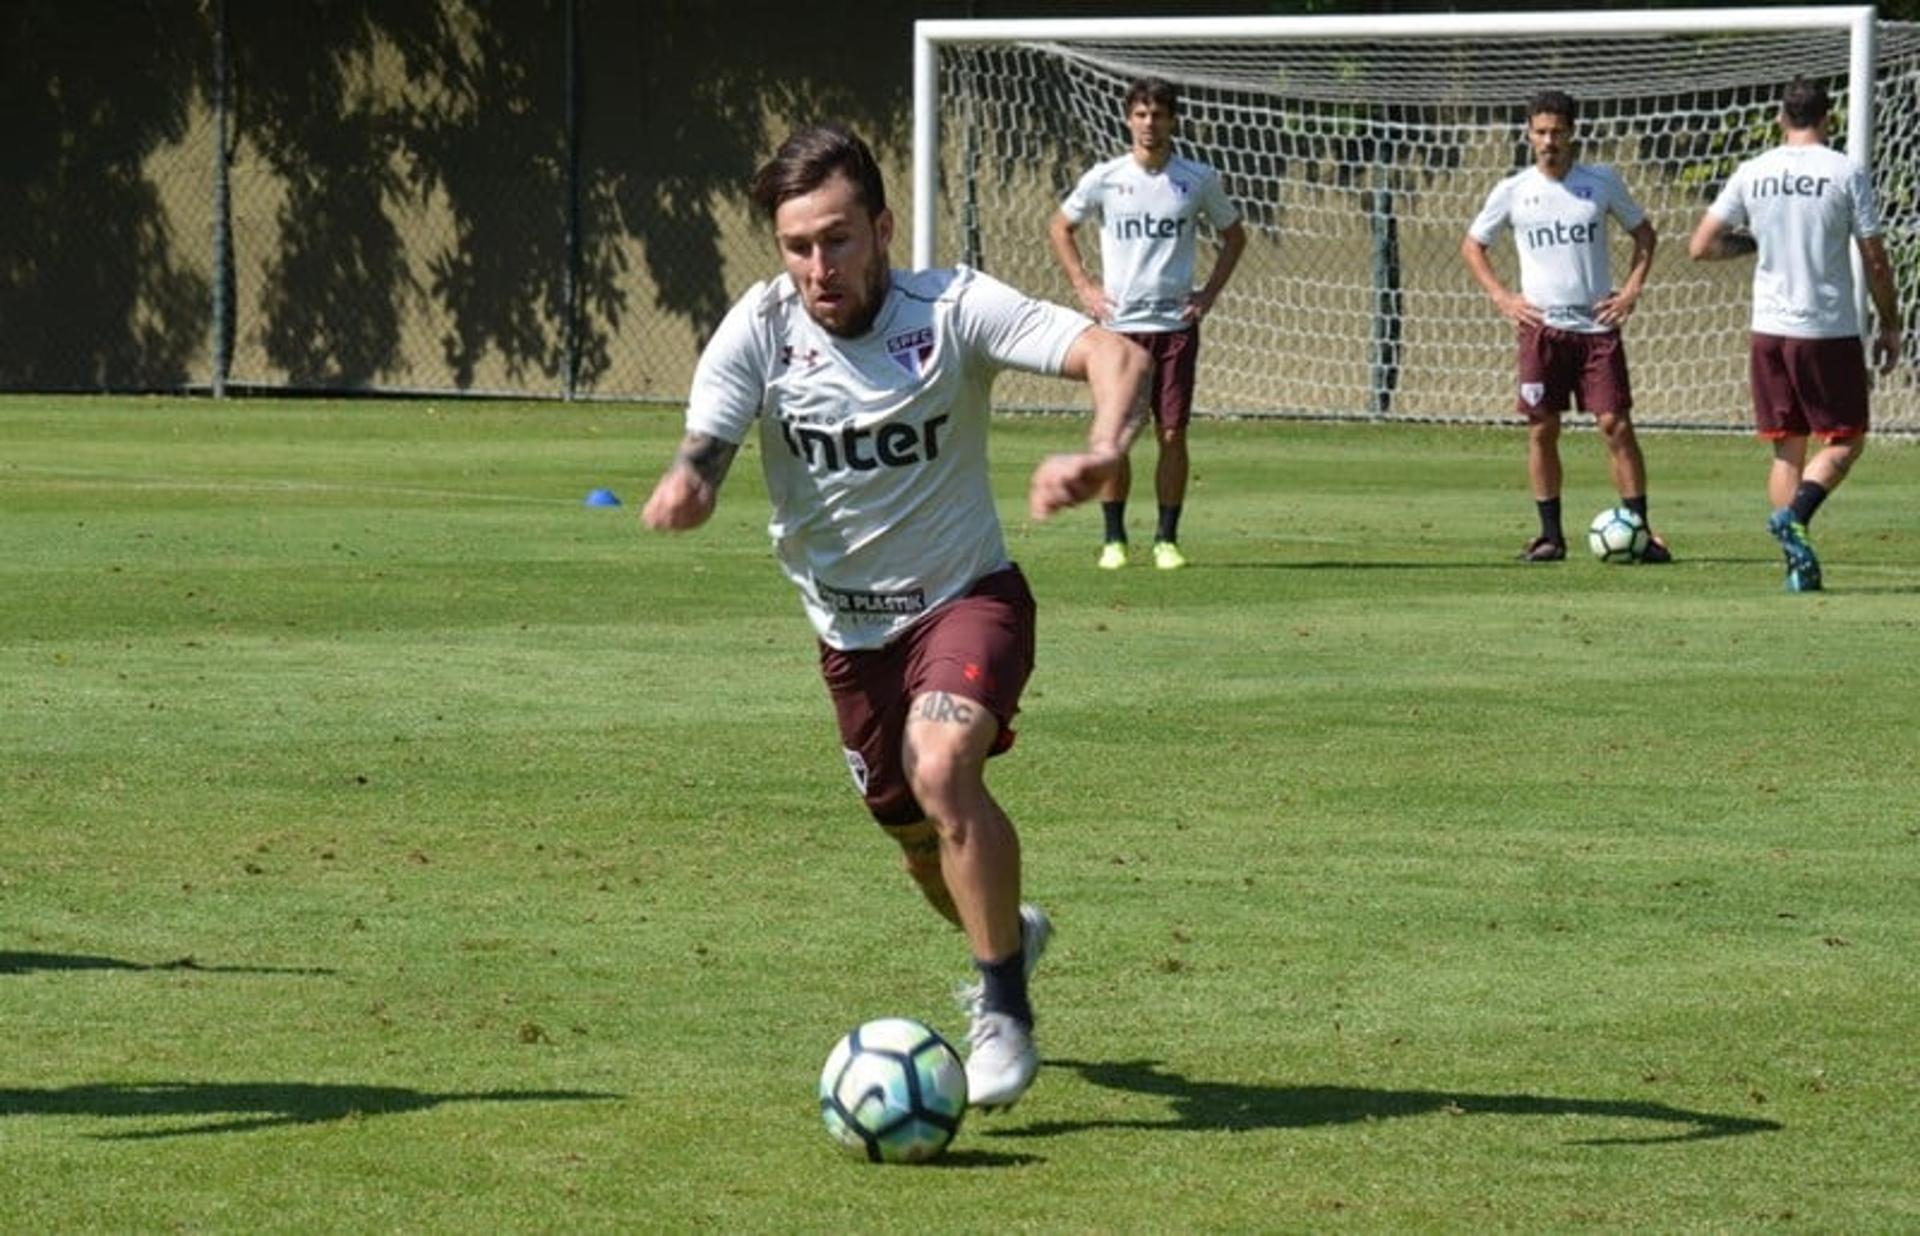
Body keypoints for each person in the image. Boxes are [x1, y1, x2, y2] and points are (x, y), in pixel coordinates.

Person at [642, 125, 1151, 1110]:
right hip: (849, 641)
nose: (818, 267)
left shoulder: (951, 306)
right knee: (919, 844)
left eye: (837, 239)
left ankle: (1002, 1009)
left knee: (943, 761)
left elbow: (1112, 353)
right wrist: (690, 484)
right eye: (797, 246)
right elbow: (707, 440)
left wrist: (1099, 446)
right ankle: (1006, 931)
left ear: (881, 227)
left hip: (967, 600)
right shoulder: (758, 327)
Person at [1687, 76, 1903, 592]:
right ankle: (1796, 516)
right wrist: (1891, 322)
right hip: (1825, 327)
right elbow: (1873, 255)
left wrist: (1755, 245)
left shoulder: (1753, 171)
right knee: (1847, 439)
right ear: (1827, 120)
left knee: (1788, 449)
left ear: (1783, 119)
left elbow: (1702, 245)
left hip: (1768, 329)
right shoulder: (1845, 170)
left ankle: (1795, 566)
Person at [1462, 89, 1672, 564]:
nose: (1549, 140)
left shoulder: (1600, 183)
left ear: (1573, 132)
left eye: (1557, 131)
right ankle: (1550, 537)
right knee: (1541, 429)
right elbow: (1474, 245)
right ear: (1528, 134)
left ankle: (1640, 532)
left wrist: (1632, 289)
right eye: (1540, 132)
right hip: (1541, 330)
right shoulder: (1513, 190)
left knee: (1615, 425)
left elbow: (1644, 234)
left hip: (1596, 328)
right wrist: (1502, 297)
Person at [1049, 76, 1247, 571]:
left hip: (1175, 328)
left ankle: (1166, 539)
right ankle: (1114, 540)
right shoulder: (1106, 177)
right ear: (1127, 118)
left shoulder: (1197, 179)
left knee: (1172, 435)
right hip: (1119, 332)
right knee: (1114, 437)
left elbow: (1234, 237)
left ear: (1173, 120)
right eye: (1140, 113)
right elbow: (1060, 227)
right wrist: (1084, 288)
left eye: (1158, 114)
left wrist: (1208, 295)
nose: (1149, 123)